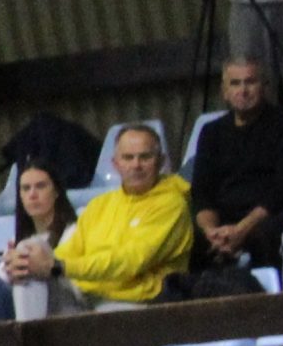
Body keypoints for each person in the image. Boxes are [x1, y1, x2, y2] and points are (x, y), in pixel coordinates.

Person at [47, 127, 194, 305]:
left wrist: (60, 267)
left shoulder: (171, 205)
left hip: (138, 302)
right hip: (87, 293)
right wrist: (38, 263)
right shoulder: (99, 205)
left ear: (161, 161)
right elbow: (68, 252)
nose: (136, 165)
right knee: (27, 282)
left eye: (145, 157)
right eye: (128, 158)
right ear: (115, 164)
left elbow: (130, 261)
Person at [191, 60, 283, 270]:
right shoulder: (211, 132)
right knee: (189, 240)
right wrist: (211, 232)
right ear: (224, 92)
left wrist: (242, 229)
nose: (243, 90)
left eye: (250, 82)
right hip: (226, 222)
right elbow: (202, 192)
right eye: (235, 83)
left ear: (265, 87)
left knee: (263, 236)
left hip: (277, 216)